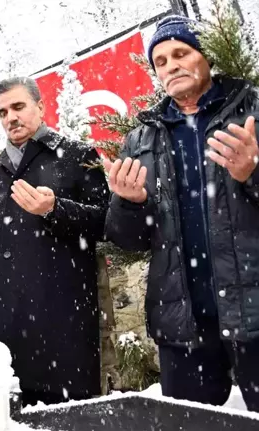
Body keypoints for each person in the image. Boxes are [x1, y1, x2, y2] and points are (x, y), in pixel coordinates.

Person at [103, 16, 259, 412]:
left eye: (181, 53)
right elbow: (129, 240)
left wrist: (252, 175)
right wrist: (129, 203)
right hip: (183, 323)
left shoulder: (252, 110)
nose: (170, 65)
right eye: (160, 60)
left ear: (205, 56)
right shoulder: (141, 138)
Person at [0, 77, 109, 406]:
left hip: (60, 330)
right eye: (1, 112)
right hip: (4, 337)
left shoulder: (77, 156)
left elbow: (106, 223)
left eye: (18, 106)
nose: (10, 117)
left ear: (40, 106)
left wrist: (54, 209)